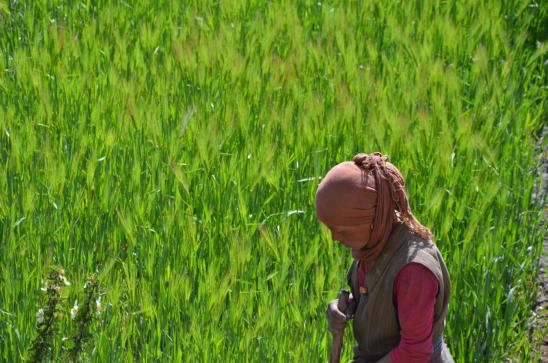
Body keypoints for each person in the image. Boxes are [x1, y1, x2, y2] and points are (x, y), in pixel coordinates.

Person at [315, 152, 454, 363]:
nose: (334, 238)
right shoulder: (373, 244)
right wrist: (346, 307)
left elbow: (415, 352)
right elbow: (381, 300)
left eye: (341, 230)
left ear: (371, 220)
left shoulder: (414, 269)